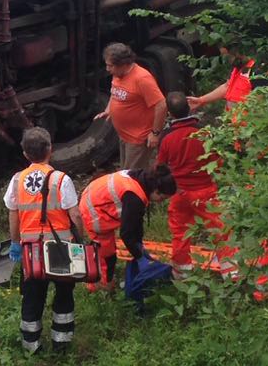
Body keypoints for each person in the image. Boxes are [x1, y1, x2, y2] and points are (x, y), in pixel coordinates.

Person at [4, 126, 85, 356]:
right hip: (60, 248)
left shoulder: (17, 180)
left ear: (25, 154)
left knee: (32, 296)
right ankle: (61, 343)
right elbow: (75, 215)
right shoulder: (61, 179)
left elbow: (13, 213)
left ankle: (31, 345)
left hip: (31, 251)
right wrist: (81, 242)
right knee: (63, 293)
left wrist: (15, 243)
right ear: (50, 150)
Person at [78, 164, 175, 290]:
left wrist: (139, 246)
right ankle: (99, 286)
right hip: (93, 211)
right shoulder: (134, 197)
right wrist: (139, 257)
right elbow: (126, 233)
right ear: (156, 190)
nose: (161, 202)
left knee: (109, 251)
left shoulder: (141, 178)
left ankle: (105, 281)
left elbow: (136, 222)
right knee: (106, 254)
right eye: (162, 198)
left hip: (96, 194)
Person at [156, 92, 223, 268]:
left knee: (180, 233)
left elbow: (161, 168)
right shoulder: (204, 133)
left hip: (180, 193)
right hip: (206, 191)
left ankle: (181, 272)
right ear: (189, 108)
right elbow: (218, 161)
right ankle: (230, 272)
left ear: (169, 113)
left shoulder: (166, 138)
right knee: (220, 230)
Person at [95, 42, 166, 169]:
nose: (107, 69)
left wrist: (155, 133)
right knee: (126, 172)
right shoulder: (118, 74)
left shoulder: (142, 79)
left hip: (137, 138)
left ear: (122, 64)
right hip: (124, 135)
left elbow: (161, 104)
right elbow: (115, 91)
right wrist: (109, 110)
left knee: (132, 177)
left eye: (110, 66)